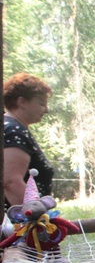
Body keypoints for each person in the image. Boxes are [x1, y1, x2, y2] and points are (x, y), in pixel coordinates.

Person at [3, 73, 55, 211]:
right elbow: (11, 182)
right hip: (17, 227)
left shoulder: (10, 127)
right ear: (22, 102)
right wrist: (38, 220)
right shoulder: (14, 130)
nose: (46, 110)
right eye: (42, 104)